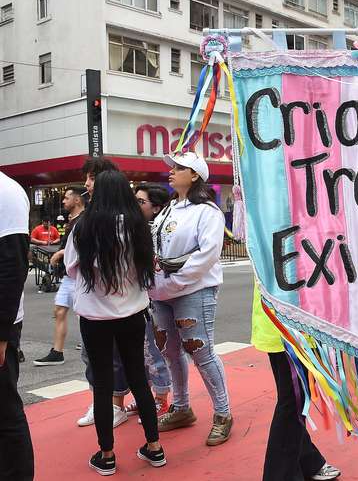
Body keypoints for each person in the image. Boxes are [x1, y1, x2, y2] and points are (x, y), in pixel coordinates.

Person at [66, 170, 166, 475]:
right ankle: (154, 447)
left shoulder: (84, 227)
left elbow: (72, 268)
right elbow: (149, 267)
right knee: (138, 377)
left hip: (95, 317)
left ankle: (107, 454)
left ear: (99, 194)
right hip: (133, 313)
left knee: (102, 384)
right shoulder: (138, 226)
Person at [150, 152, 233, 446]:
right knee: (169, 351)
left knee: (202, 352)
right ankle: (182, 407)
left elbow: (207, 255)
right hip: (160, 292)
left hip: (192, 291)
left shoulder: (208, 212)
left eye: (178, 168)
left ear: (195, 175)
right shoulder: (169, 210)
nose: (171, 172)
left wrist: (175, 281)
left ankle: (223, 414)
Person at [251, 284, 342, 481]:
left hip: (281, 318)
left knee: (295, 399)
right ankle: (281, 475)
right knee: (293, 402)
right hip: (296, 323)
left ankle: (308, 458)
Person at [74, 157, 132, 428]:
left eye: (92, 178)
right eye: (87, 178)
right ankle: (102, 402)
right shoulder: (88, 217)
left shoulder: (119, 218)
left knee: (117, 358)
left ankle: (115, 405)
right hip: (93, 304)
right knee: (93, 356)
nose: (87, 184)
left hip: (117, 305)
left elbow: (78, 267)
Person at [127, 184, 174, 419]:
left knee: (153, 351)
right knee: (137, 353)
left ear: (156, 208)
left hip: (153, 299)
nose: (135, 206)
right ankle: (143, 397)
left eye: (141, 202)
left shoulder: (159, 232)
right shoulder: (135, 229)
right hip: (135, 299)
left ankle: (161, 399)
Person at [0, 171, 35, 481]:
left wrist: (1, 333)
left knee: (4, 410)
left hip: (2, 323)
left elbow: (13, 267)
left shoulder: (6, 192)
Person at [34, 185, 86, 366]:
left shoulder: (85, 220)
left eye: (66, 197)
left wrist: (62, 252)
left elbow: (84, 246)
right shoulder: (71, 220)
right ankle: (57, 352)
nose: (63, 201)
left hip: (80, 275)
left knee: (85, 315)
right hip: (68, 276)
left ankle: (89, 345)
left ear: (77, 199)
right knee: (60, 310)